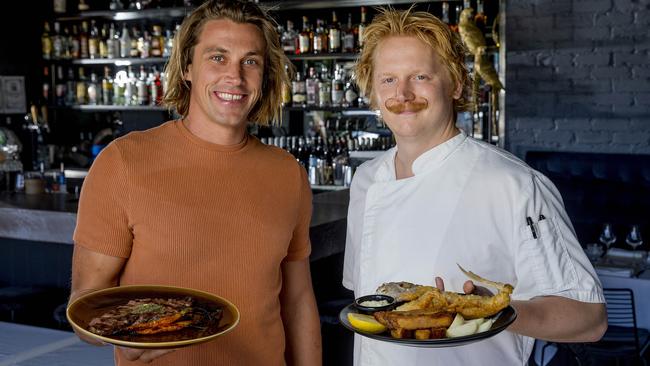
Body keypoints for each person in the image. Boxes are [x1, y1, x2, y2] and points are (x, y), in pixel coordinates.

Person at [342, 8, 607, 366]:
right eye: (388, 79)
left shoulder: (513, 183)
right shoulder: (367, 180)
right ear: (373, 91)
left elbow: (589, 318)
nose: (402, 93)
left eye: (420, 76)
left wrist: (492, 311)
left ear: (456, 83)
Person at [70, 1, 322, 365]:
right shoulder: (122, 162)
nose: (234, 77)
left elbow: (298, 302)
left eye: (250, 61)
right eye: (217, 58)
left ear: (264, 77)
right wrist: (119, 338)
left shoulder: (288, 173)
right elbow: (87, 300)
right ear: (187, 68)